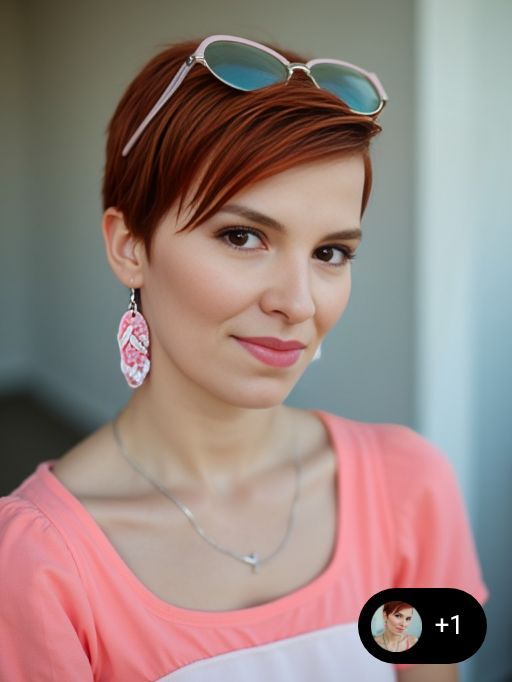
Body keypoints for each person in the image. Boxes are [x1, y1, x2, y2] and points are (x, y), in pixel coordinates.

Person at [0, 34, 488, 681]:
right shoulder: (37, 564)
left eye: (330, 253)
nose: (298, 302)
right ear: (129, 247)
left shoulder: (409, 485)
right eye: (242, 236)